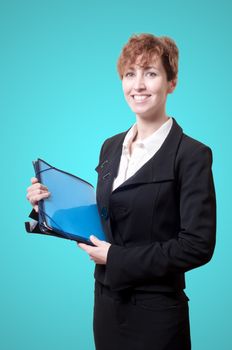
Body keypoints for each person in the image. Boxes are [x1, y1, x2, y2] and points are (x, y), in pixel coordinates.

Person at [26, 33, 216, 350]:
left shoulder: (192, 154)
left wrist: (116, 257)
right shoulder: (111, 146)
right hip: (106, 307)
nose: (138, 85)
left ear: (172, 82)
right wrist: (47, 205)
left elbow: (197, 245)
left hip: (157, 315)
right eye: (130, 74)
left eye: (151, 73)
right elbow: (105, 218)